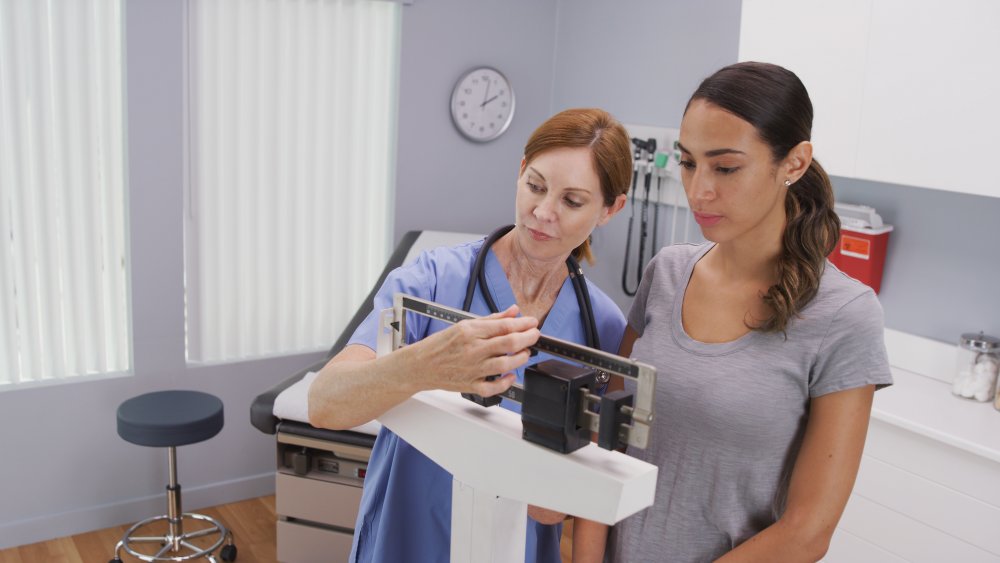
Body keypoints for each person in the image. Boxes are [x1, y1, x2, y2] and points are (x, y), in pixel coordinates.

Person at [581, 62, 894, 562]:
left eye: (725, 167)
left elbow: (807, 531)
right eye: (688, 163)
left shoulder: (845, 316)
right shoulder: (666, 273)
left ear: (793, 163)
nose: (699, 189)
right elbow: (607, 441)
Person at [307, 107, 633, 563]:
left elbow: (572, 496)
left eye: (572, 201)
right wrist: (426, 366)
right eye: (535, 186)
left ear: (610, 209)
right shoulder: (431, 280)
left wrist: (562, 490)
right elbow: (325, 403)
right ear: (520, 171)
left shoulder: (603, 325)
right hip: (408, 538)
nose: (542, 212)